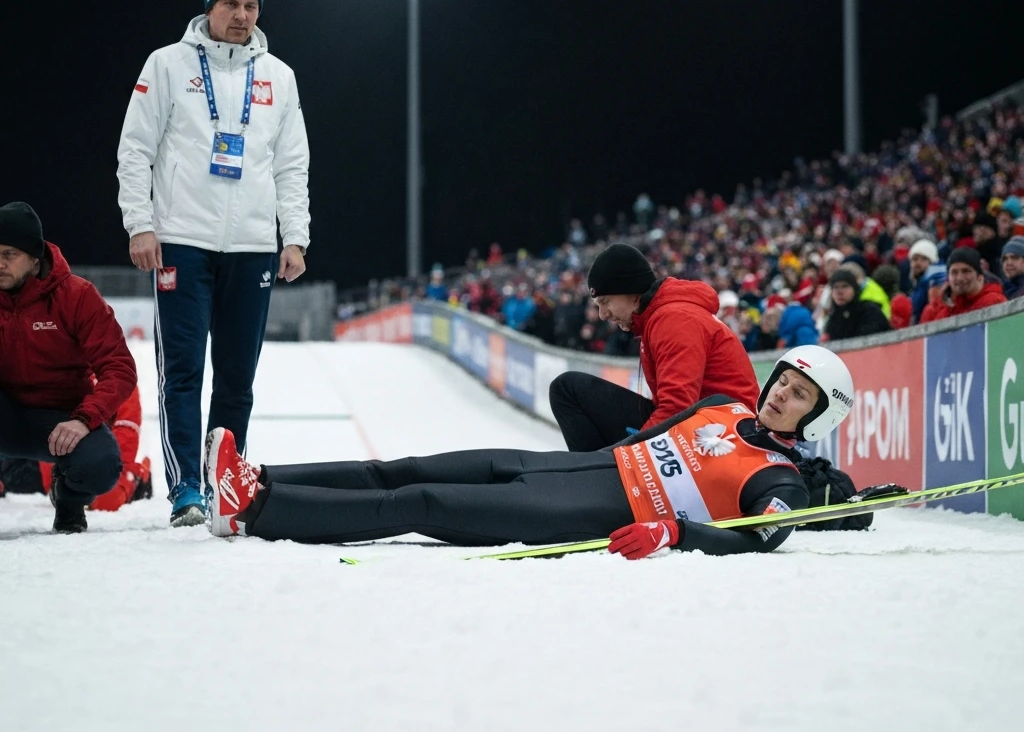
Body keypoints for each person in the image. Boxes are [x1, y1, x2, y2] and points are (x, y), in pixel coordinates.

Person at [206, 346, 867, 557]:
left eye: (800, 394)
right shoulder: (723, 406)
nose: (781, 393)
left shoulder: (780, 480)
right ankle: (257, 477)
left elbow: (757, 540)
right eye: (784, 379)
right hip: (559, 467)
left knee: (420, 501)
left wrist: (675, 531)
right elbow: (641, 438)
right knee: (403, 466)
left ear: (817, 415)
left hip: (577, 509)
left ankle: (256, 511)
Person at [116, 0, 311, 527]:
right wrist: (140, 224)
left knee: (237, 377)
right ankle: (185, 490)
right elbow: (136, 149)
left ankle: (223, 482)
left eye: (251, 5)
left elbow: (291, 165)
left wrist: (294, 237)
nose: (242, 15)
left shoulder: (279, 76)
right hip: (181, 239)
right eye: (231, 4)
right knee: (183, 372)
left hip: (252, 245)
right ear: (209, 7)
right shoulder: (167, 65)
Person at [0, 202, 137, 533]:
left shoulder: (77, 296)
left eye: (9, 255)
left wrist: (84, 419)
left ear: (35, 258)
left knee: (102, 465)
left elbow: (119, 367)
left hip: (64, 418)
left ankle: (69, 499)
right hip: (6, 414)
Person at [548, 243, 761, 452]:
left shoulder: (675, 320)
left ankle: (598, 470)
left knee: (566, 389)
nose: (603, 315)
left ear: (633, 294)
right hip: (707, 425)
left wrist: (623, 455)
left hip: (724, 439)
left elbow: (676, 409)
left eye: (606, 302)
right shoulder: (660, 316)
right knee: (569, 388)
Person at [0, 382, 152, 511]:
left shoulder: (119, 383)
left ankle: (138, 476)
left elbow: (123, 445)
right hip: (40, 460)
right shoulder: (63, 369)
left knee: (106, 496)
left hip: (72, 466)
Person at [919, 248, 1007, 322]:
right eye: (954, 272)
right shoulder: (946, 312)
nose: (960, 278)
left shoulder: (994, 302)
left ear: (979, 277)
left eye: (966, 271)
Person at [822, 268, 891, 341]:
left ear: (854, 289)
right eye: (835, 287)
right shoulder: (833, 319)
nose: (839, 292)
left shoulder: (869, 311)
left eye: (845, 286)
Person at [907, 238, 940, 324]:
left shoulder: (934, 283)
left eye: (923, 259)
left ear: (932, 262)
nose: (918, 263)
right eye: (915, 259)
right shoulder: (917, 286)